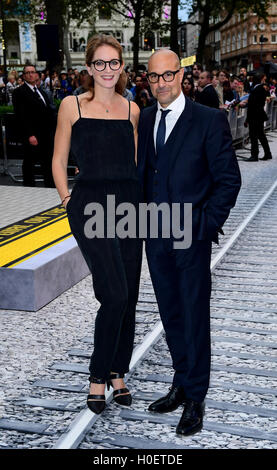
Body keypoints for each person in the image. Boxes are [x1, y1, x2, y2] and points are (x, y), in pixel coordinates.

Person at [137, 49, 241, 436]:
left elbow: (228, 180)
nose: (161, 83)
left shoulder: (209, 120)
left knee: (194, 316)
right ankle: (181, 383)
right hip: (155, 236)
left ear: (181, 75)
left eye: (167, 75)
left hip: (190, 237)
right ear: (147, 80)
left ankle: (196, 396)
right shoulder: (145, 118)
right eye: (153, 77)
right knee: (170, 313)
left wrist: (205, 225)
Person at [52, 34, 143, 415]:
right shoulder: (71, 105)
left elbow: (136, 165)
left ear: (122, 66)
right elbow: (57, 160)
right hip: (89, 206)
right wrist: (67, 199)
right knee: (115, 294)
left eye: (114, 63)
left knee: (131, 295)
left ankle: (118, 371)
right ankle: (96, 375)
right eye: (100, 63)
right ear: (89, 68)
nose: (108, 70)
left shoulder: (132, 110)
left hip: (129, 208)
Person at [12, 64, 57, 187]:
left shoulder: (41, 91)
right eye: (28, 73)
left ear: (37, 74)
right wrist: (30, 134)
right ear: (24, 75)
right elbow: (21, 116)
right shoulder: (19, 92)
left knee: (48, 162)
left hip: (46, 134)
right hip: (33, 135)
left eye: (33, 72)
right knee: (29, 163)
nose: (31, 74)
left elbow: (48, 112)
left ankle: (50, 188)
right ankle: (29, 188)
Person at [244, 72, 273, 161]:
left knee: (254, 136)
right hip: (258, 115)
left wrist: (248, 119)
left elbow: (253, 106)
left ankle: (254, 155)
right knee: (261, 135)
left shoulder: (259, 89)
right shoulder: (259, 89)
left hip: (255, 116)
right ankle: (267, 153)